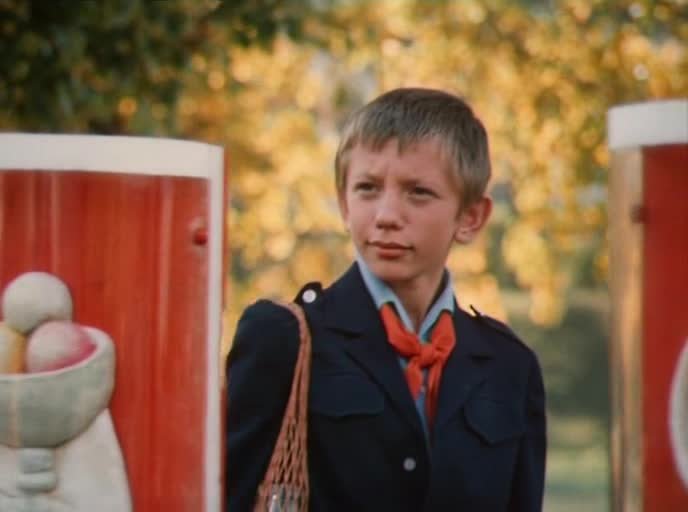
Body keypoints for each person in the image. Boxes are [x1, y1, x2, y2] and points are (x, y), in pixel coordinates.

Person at [225, 87, 547, 511]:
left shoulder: (509, 366)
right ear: (343, 204)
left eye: (418, 192)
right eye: (367, 188)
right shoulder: (283, 339)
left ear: (470, 217)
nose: (387, 216)